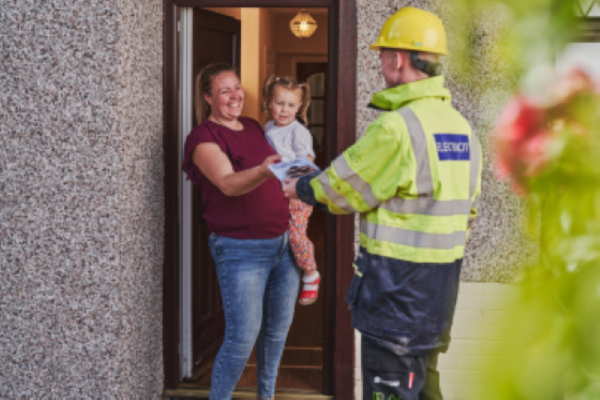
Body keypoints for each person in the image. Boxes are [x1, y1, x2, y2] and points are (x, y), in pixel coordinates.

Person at [283, 7, 482, 400]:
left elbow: (342, 188)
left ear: (398, 58)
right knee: (424, 390)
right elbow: (467, 209)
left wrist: (301, 188)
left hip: (397, 297)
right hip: (437, 295)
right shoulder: (461, 129)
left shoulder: (397, 127)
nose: (378, 62)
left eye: (381, 54)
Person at [182, 63, 301, 400]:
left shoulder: (251, 125)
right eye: (224, 90)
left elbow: (278, 167)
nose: (235, 95)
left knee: (276, 332)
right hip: (241, 249)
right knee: (242, 337)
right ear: (207, 97)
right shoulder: (203, 137)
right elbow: (228, 184)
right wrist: (264, 172)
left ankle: (267, 396)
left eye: (237, 87)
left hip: (283, 244)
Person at [261, 75, 321, 306]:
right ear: (269, 102)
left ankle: (311, 273)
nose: (284, 110)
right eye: (279, 103)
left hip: (298, 193)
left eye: (290, 105)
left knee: (296, 236)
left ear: (299, 107)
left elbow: (307, 161)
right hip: (279, 192)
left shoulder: (299, 132)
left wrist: (297, 192)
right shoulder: (268, 127)